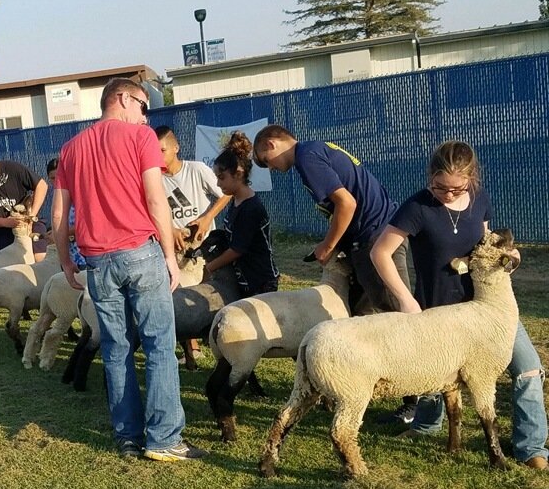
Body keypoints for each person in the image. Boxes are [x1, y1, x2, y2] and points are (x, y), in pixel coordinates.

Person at [53, 77, 206, 462]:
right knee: (158, 345)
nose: (145, 114)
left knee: (116, 348)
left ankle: (128, 437)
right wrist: (170, 256)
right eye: (142, 105)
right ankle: (165, 438)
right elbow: (156, 199)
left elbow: (58, 214)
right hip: (140, 251)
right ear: (121, 99)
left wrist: (65, 260)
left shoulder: (70, 149)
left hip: (98, 261)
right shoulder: (141, 140)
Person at [370, 140, 548, 470]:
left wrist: (508, 254)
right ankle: (426, 425)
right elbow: (380, 252)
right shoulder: (417, 207)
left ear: (471, 178)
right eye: (440, 187)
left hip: (486, 308)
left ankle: (531, 446)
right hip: (437, 306)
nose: (448, 194)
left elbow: (485, 241)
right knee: (434, 372)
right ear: (430, 177)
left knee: (527, 366)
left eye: (456, 188)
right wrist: (406, 299)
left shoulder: (479, 199)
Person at [253, 124, 417, 423]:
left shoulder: (306, 158)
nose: (271, 169)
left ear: (272, 143)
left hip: (374, 240)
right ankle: (356, 385)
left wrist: (328, 246)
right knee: (359, 316)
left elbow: (347, 203)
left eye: (265, 161)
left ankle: (418, 399)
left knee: (397, 315)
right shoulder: (315, 149)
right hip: (369, 237)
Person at [201, 131, 279, 297]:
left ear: (238, 173)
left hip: (261, 282)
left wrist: (210, 267)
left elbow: (237, 249)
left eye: (221, 177)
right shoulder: (236, 201)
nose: (217, 183)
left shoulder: (250, 208)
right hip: (244, 279)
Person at [156, 125, 230, 253]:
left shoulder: (196, 169)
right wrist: (171, 230)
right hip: (176, 250)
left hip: (205, 246)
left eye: (162, 150)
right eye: (154, 152)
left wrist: (207, 218)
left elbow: (226, 194)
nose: (158, 156)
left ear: (176, 148)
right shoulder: (154, 179)